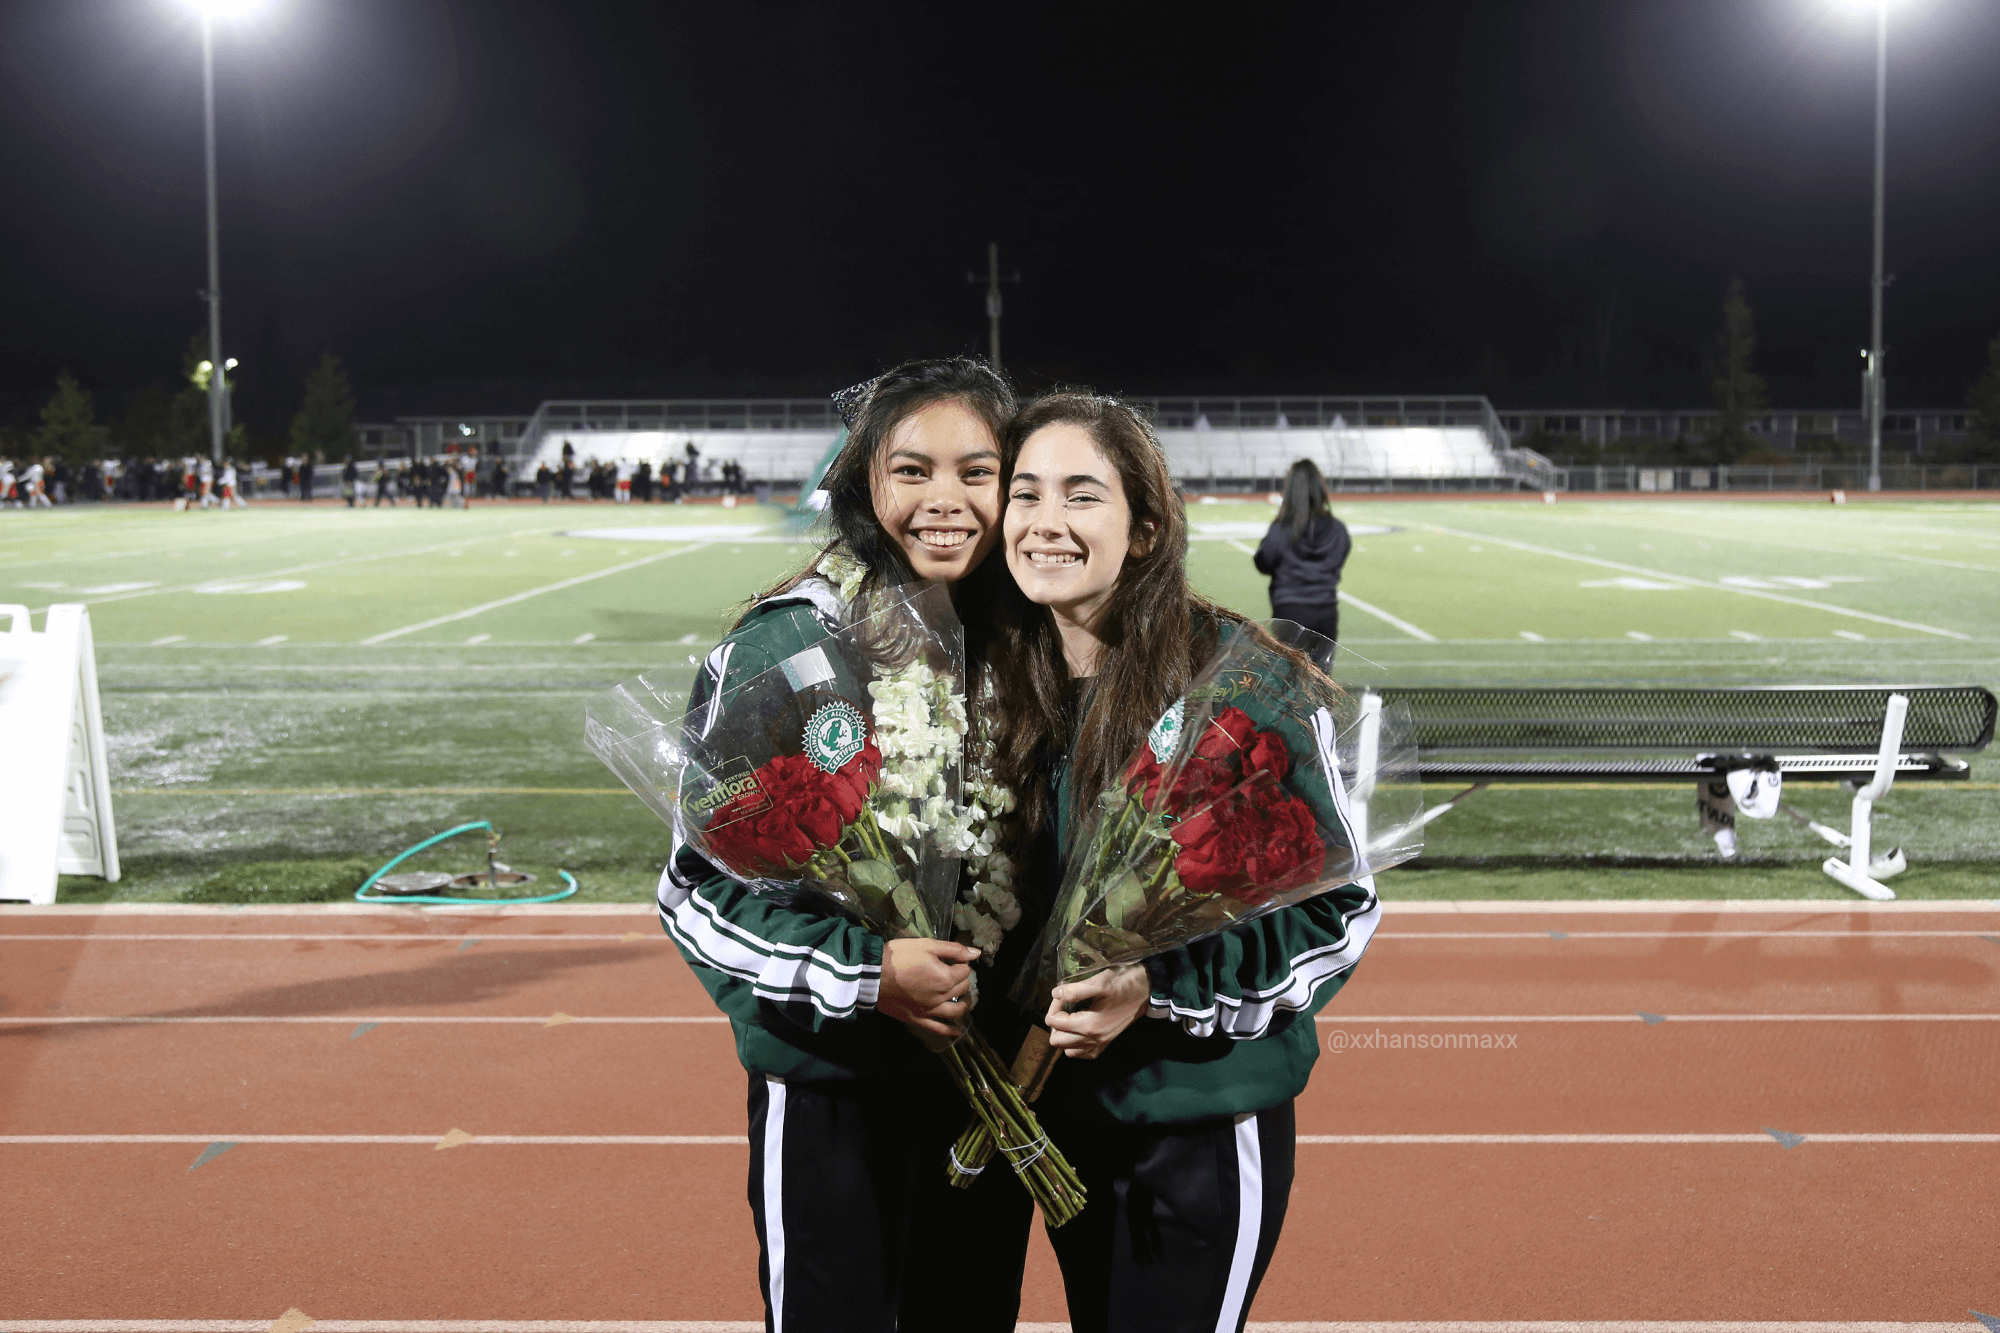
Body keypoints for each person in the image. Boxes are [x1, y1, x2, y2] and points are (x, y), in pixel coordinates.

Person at [659, 358, 1037, 1333]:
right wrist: (868, 975)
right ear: (864, 481)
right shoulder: (789, 645)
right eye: (911, 470)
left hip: (986, 1091)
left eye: (977, 472)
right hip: (832, 1083)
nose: (945, 499)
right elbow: (693, 891)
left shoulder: (1031, 637)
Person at [991, 393, 1378, 1333]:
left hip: (1194, 1121)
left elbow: (1337, 912)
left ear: (1147, 528)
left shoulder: (1240, 682)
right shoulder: (997, 676)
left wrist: (1159, 987)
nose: (1044, 521)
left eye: (1082, 495)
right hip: (1057, 1124)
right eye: (1025, 493)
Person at [1252, 459, 1350, 645]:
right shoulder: (1337, 529)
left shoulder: (1281, 528)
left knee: (1288, 664)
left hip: (1289, 611)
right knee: (1320, 665)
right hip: (1326, 611)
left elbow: (1263, 562)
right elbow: (1339, 558)